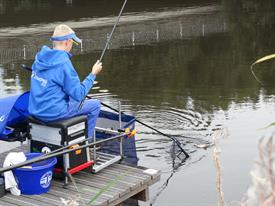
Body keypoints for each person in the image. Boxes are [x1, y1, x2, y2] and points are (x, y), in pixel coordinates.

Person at [28, 24, 102, 138]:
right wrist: (93, 74)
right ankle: (88, 143)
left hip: (36, 111)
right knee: (95, 105)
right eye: (73, 42)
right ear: (67, 42)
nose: (72, 45)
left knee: (71, 98)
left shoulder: (39, 59)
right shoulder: (63, 63)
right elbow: (79, 94)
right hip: (54, 113)